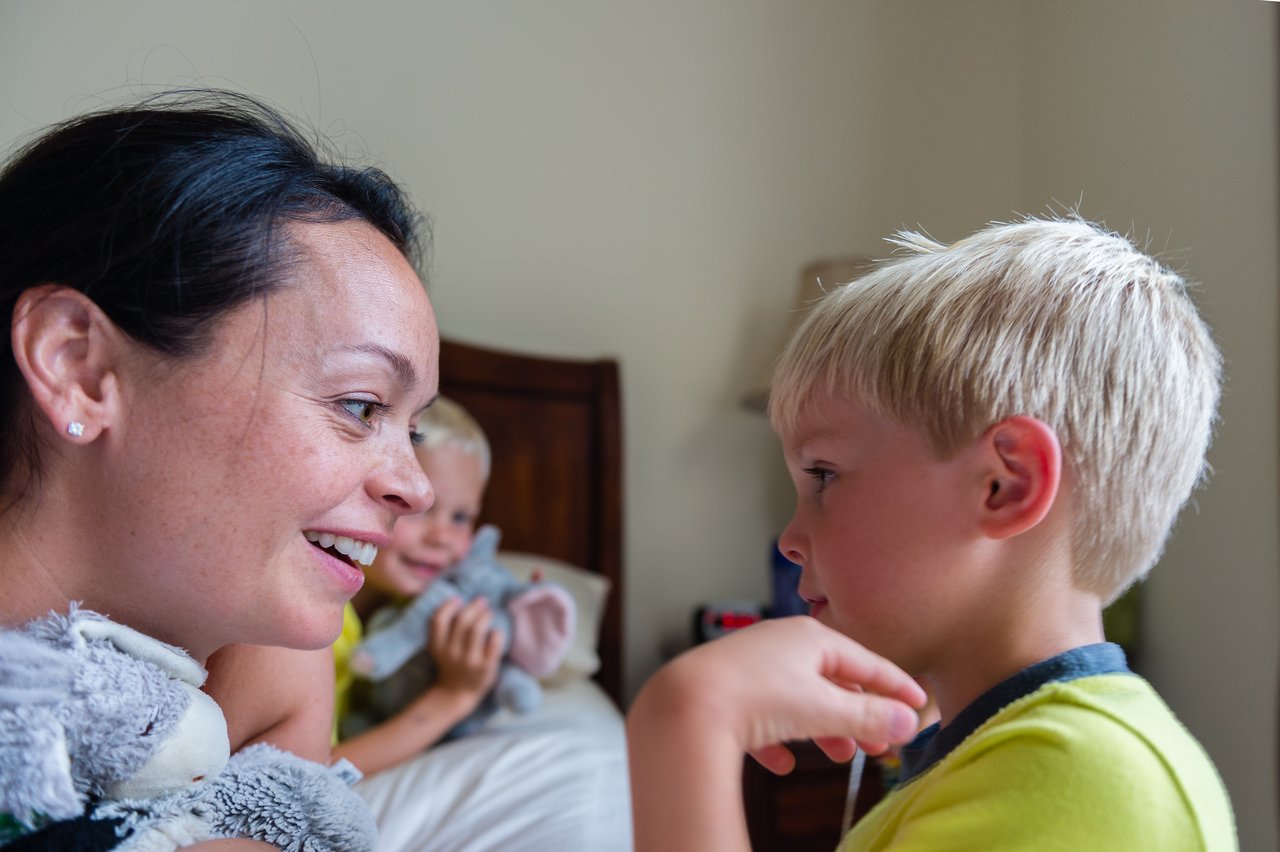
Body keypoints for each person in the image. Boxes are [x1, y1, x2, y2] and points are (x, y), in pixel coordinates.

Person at [627, 217, 1237, 851]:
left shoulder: (1084, 773)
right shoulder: (1008, 761)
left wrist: (687, 721)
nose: (789, 538)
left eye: (825, 475)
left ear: (1005, 485)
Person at [0, 90, 439, 849]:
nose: (416, 487)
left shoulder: (262, 666)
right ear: (79, 367)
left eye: (415, 430)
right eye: (362, 406)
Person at [331, 397, 504, 777]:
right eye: (423, 508)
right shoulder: (320, 620)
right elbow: (310, 772)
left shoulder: (409, 608)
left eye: (461, 517)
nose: (443, 537)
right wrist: (453, 696)